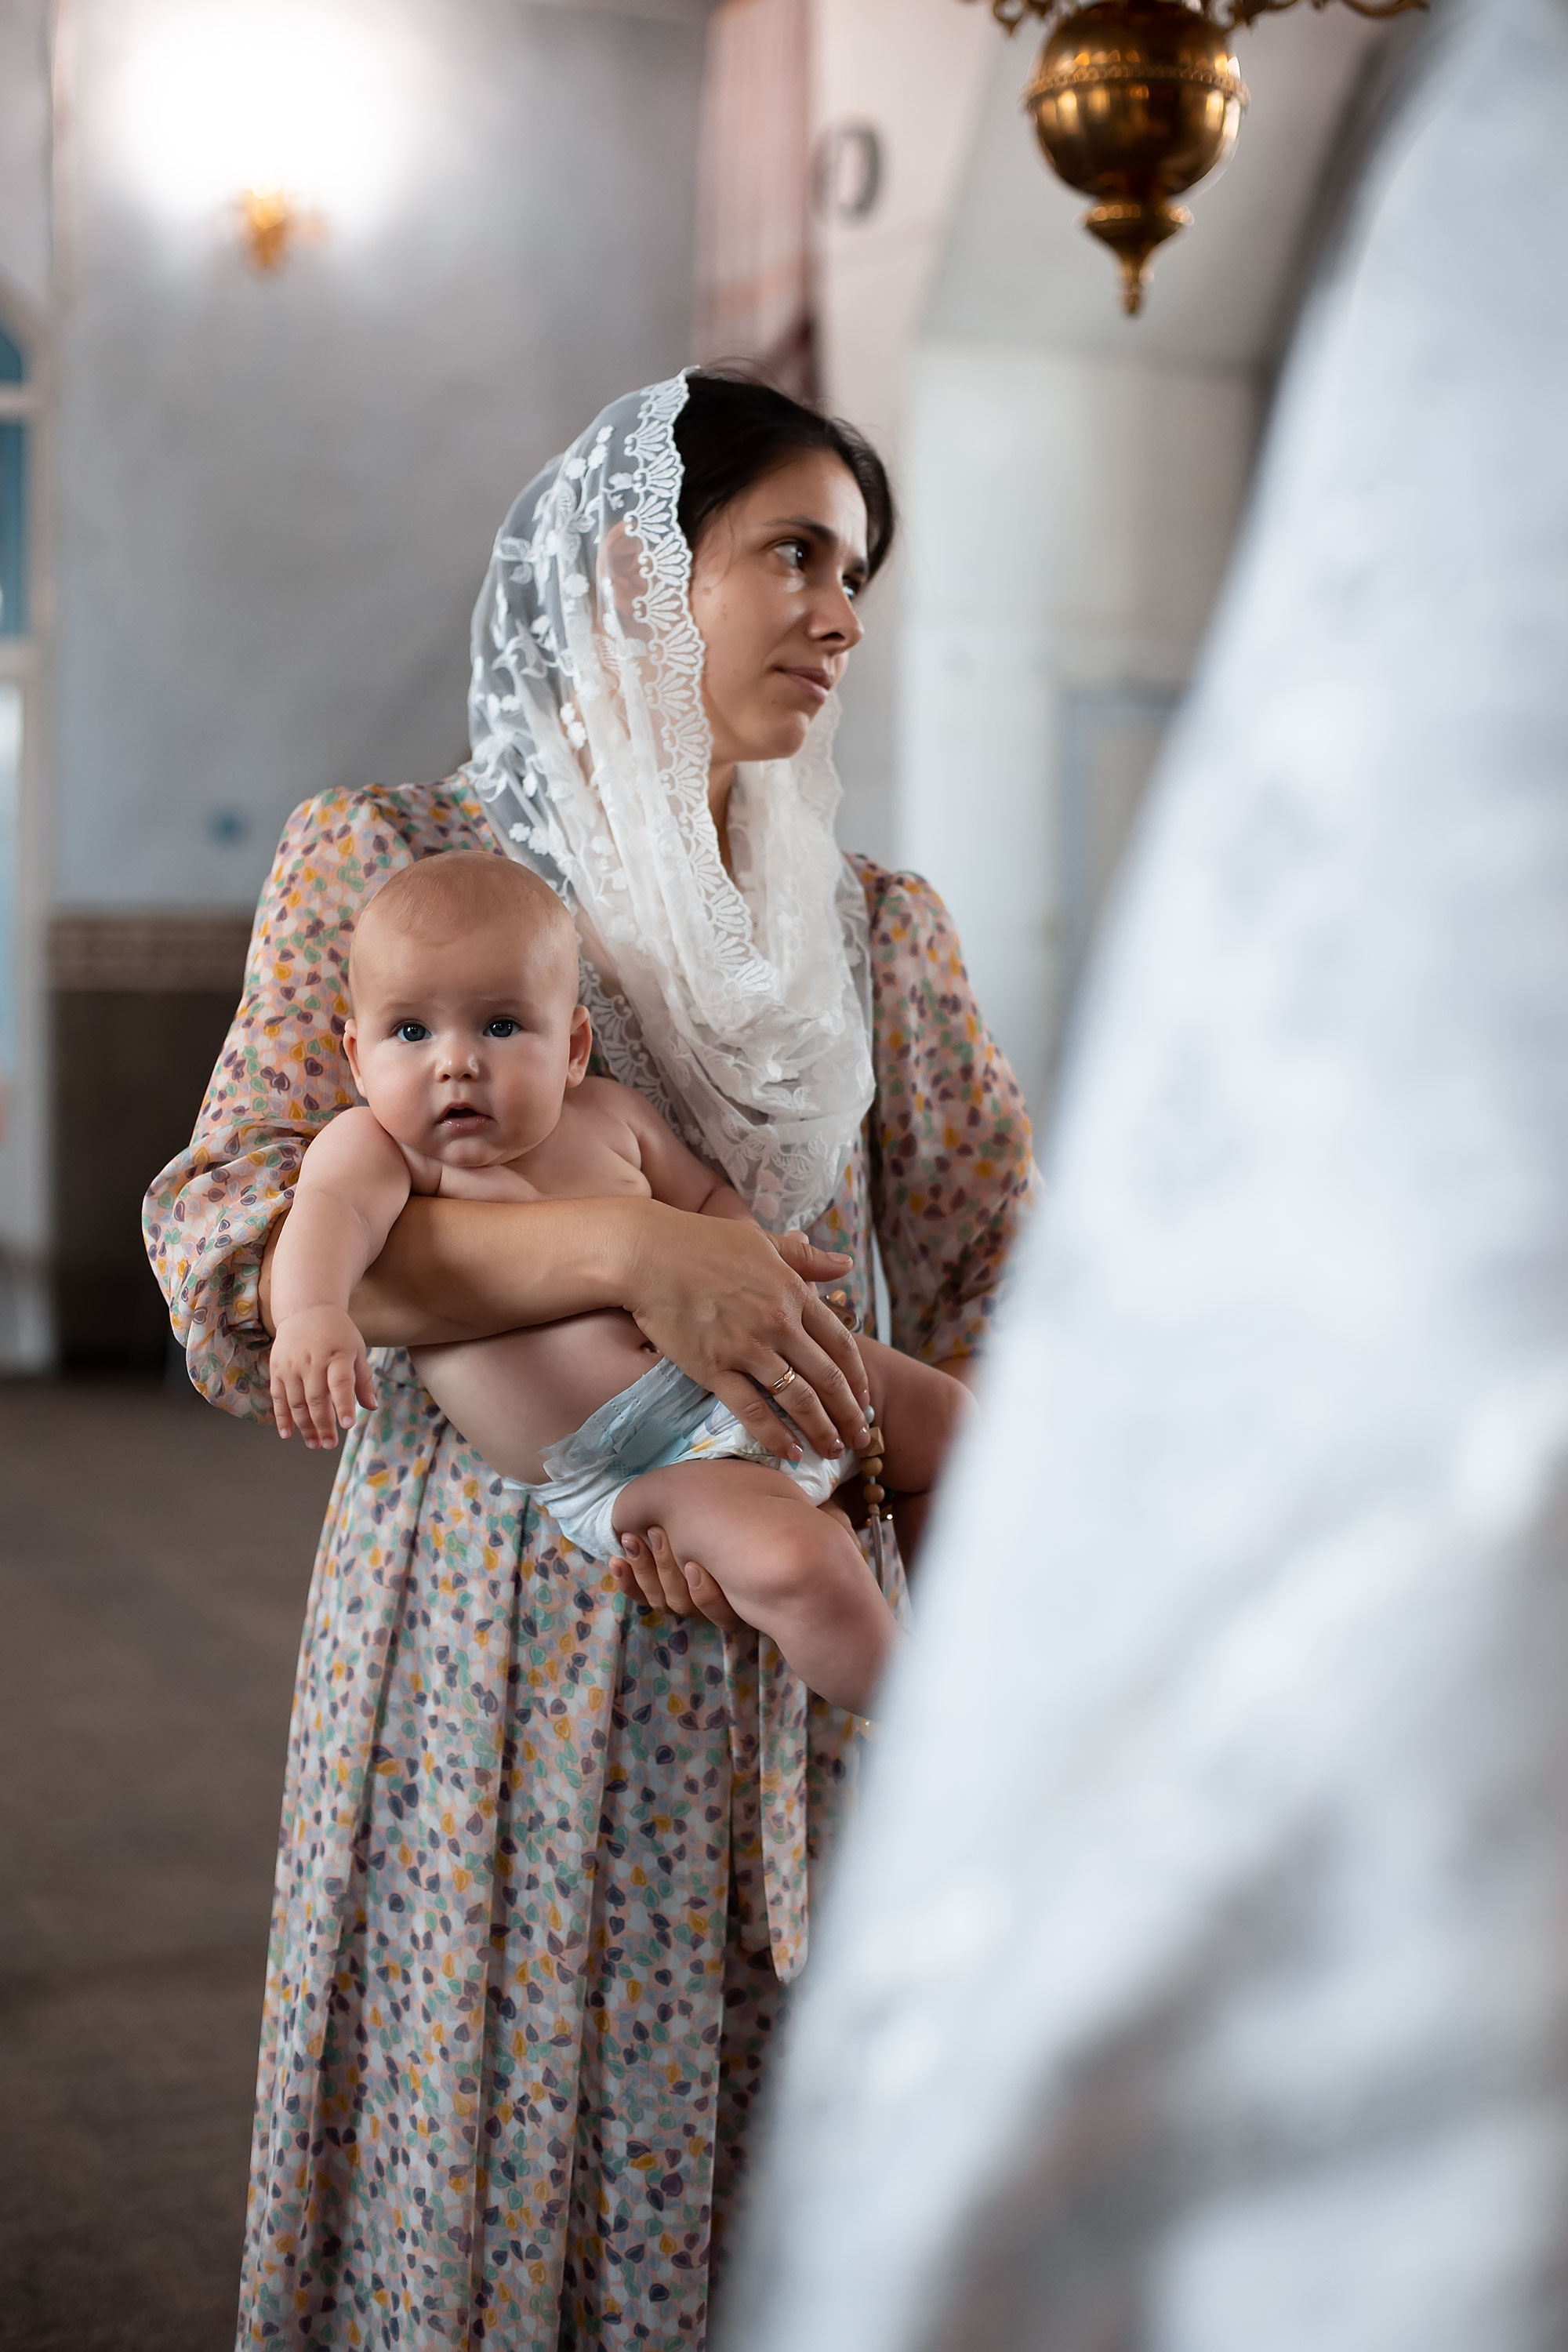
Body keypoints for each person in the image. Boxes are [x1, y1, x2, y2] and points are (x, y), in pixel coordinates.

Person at [144, 368, 1037, 2350]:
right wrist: (643, 1248)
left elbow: (987, 1263)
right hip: (495, 1640)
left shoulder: (876, 928)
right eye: (789, 554)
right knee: (496, 2162)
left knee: (778, 2170)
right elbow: (235, 1255)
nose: (839, 613)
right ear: (638, 572)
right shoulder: (391, 864)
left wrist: (851, 1464)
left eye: (857, 571)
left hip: (794, 1628)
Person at [267, 849, 968, 1714]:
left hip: (751, 1374)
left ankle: (973, 1638)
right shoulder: (379, 1151)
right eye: (410, 1032)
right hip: (637, 1466)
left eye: (498, 1026)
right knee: (798, 1564)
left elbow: (708, 1201)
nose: (455, 1063)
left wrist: (749, 1264)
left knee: (948, 1422)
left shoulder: (612, 1120)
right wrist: (310, 1312)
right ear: (357, 1055)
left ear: (571, 1048)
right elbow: (328, 1215)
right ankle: (935, 1727)